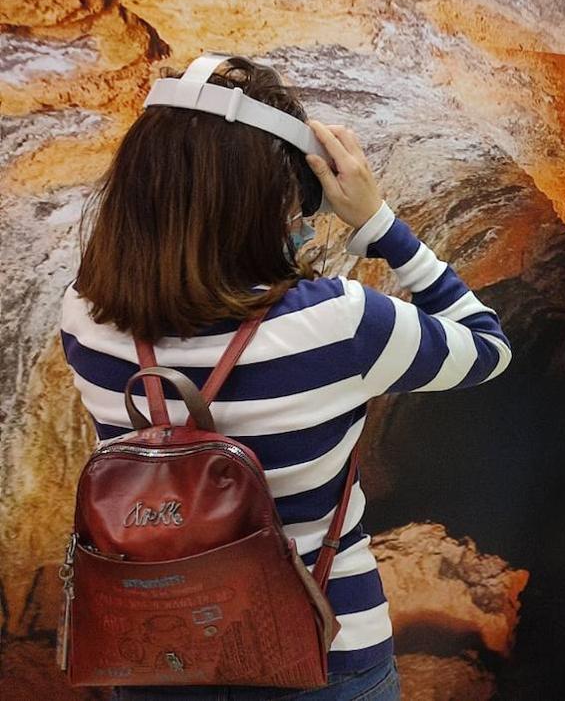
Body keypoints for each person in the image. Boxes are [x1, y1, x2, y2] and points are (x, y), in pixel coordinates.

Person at [61, 57, 512, 699]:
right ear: (271, 201)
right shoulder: (340, 322)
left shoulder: (81, 315)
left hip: (157, 653)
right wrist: (380, 224)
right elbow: (489, 348)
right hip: (325, 652)